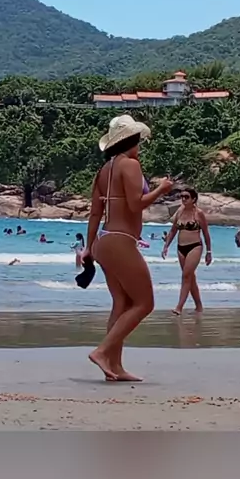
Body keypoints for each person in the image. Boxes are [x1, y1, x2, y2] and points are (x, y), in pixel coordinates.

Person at [82, 114, 173, 382]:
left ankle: (115, 367)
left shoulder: (104, 170)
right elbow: (136, 204)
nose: (140, 145)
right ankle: (102, 352)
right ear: (131, 140)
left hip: (104, 240)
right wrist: (162, 189)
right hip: (121, 240)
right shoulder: (130, 165)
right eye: (139, 140)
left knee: (121, 303)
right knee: (145, 303)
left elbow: (95, 213)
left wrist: (89, 247)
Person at [162, 188, 212, 316]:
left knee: (186, 276)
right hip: (181, 248)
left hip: (195, 247)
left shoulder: (199, 213)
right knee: (190, 278)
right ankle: (199, 307)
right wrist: (166, 246)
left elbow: (206, 233)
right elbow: (173, 230)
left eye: (186, 197)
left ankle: (179, 307)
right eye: (182, 196)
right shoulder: (180, 211)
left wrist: (209, 251)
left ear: (193, 199)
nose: (183, 199)